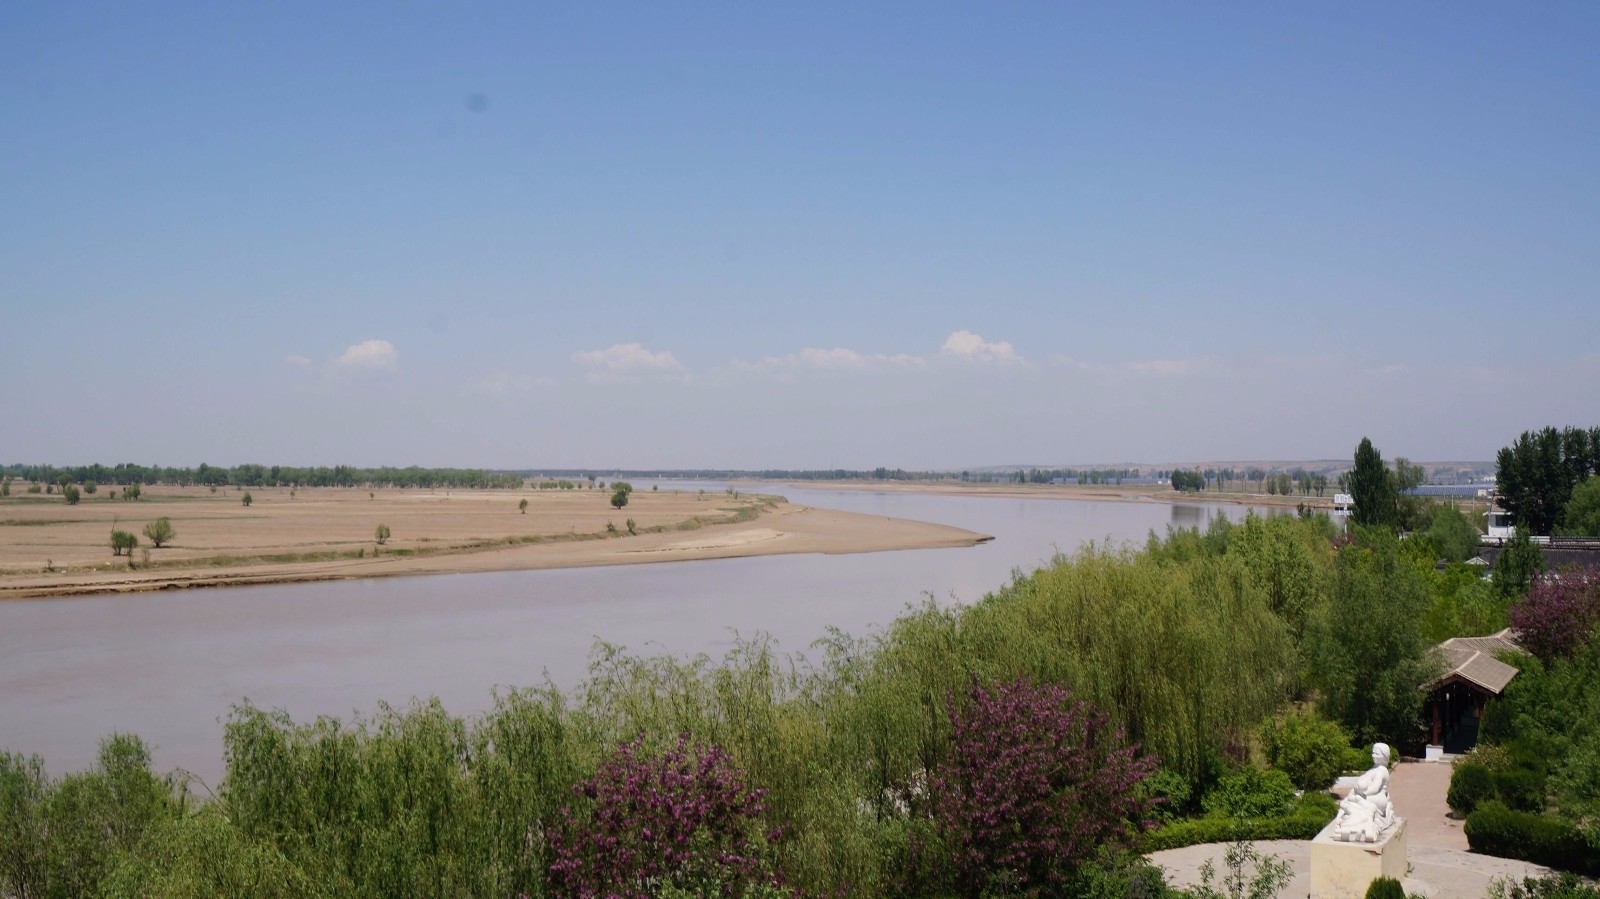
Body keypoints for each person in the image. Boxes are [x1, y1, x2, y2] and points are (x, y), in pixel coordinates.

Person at [1331, 742, 1396, 842]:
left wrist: (1361, 794)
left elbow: (1375, 788)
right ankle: (1350, 818)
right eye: (1373, 753)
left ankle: (1357, 819)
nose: (1373, 756)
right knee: (1352, 799)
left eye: (1377, 754)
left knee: (1354, 800)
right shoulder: (1374, 767)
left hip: (1377, 798)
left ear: (1384, 755)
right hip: (1369, 795)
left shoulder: (1381, 770)